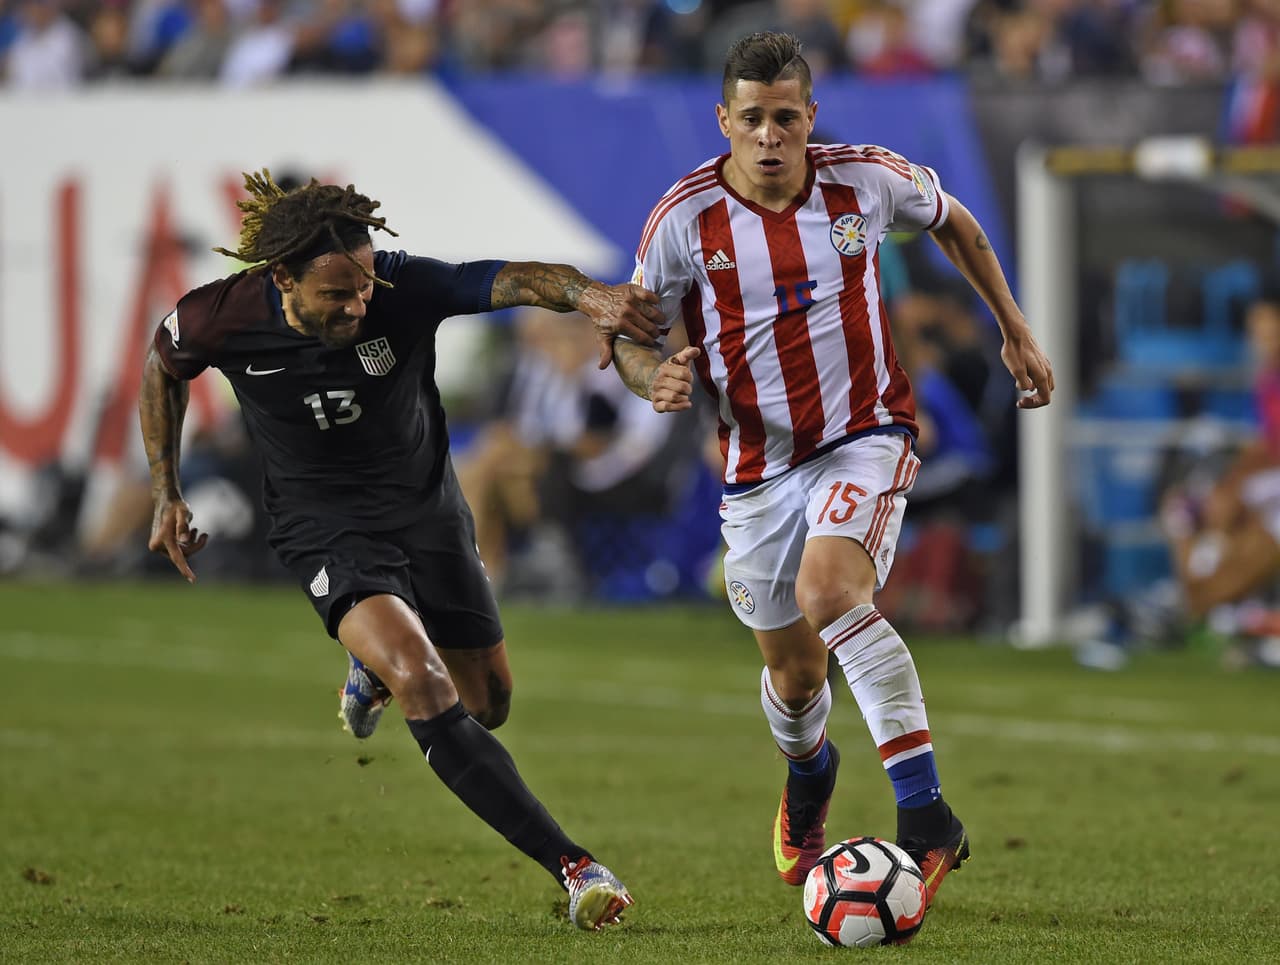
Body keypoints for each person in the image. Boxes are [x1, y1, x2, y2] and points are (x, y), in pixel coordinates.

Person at [138, 169, 663, 930]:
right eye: (335, 295)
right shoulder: (220, 315)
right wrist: (166, 488)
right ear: (282, 277)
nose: (356, 304)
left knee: (490, 704)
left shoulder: (396, 286)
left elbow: (509, 279)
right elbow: (164, 367)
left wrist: (591, 296)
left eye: (361, 287)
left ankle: (371, 662)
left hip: (428, 512)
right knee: (420, 677)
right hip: (324, 527)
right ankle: (576, 865)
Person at [610, 32, 1053, 910]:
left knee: (831, 590)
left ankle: (926, 818)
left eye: (785, 118)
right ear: (724, 121)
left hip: (865, 433)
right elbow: (630, 332)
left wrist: (1013, 325)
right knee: (795, 673)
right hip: (754, 466)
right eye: (752, 120)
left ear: (810, 117)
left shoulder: (867, 179)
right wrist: (650, 373)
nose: (769, 136)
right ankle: (810, 777)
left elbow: (958, 224)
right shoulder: (684, 220)